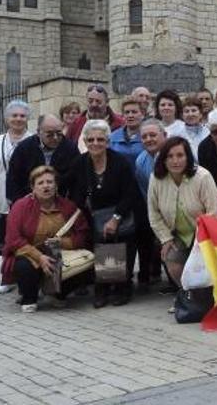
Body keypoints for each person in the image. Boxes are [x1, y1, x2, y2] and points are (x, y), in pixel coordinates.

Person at [65, 119, 138, 308]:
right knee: (102, 250)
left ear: (107, 141)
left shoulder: (119, 162)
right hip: (94, 216)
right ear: (85, 141)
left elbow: (130, 193)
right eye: (91, 140)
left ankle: (122, 289)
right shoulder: (80, 163)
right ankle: (102, 290)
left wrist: (115, 218)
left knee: (120, 248)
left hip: (121, 213)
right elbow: (65, 183)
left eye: (100, 139)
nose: (95, 144)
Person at [2, 166, 91, 313]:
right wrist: (40, 257)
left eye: (50, 182)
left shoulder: (68, 207)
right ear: (33, 187)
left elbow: (82, 235)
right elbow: (13, 239)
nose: (46, 186)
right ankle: (30, 297)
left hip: (60, 255)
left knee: (86, 264)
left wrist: (63, 243)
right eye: (40, 183)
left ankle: (58, 294)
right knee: (24, 266)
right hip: (30, 255)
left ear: (56, 185)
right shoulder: (20, 207)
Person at [148, 136, 217, 286]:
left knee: (204, 269)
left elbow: (215, 211)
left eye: (180, 155)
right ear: (163, 159)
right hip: (176, 235)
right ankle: (186, 296)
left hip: (205, 234)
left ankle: (207, 297)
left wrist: (199, 241)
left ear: (188, 157)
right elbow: (154, 214)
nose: (175, 161)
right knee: (171, 257)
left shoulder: (203, 177)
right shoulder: (156, 178)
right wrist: (166, 239)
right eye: (170, 156)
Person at [0, 100, 35, 294]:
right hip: (3, 198)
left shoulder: (34, 140)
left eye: (22, 115)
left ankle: (26, 276)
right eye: (14, 115)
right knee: (7, 239)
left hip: (28, 197)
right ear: (7, 119)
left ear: (27, 118)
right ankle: (8, 275)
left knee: (27, 237)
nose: (18, 119)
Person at [6, 114, 79, 204]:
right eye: (50, 134)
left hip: (60, 204)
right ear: (38, 132)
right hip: (28, 204)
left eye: (59, 133)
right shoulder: (24, 148)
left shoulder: (70, 148)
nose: (55, 138)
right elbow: (13, 179)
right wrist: (19, 205)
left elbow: (76, 181)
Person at [134, 118, 167, 290]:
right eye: (144, 136)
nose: (148, 139)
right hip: (155, 209)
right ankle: (149, 272)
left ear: (164, 135)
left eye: (153, 135)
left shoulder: (177, 154)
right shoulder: (140, 161)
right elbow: (145, 191)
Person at [66, 84, 125, 149]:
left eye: (98, 101)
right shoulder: (76, 124)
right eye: (90, 101)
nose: (94, 105)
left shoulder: (120, 124)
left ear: (107, 102)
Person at [109, 96, 145, 167]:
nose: (130, 115)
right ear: (123, 115)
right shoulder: (113, 137)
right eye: (127, 112)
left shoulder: (148, 137)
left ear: (142, 114)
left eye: (134, 112)